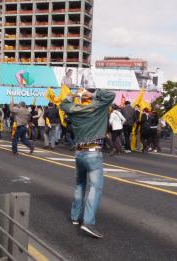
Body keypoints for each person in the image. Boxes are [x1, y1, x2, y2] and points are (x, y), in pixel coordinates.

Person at [61, 88, 115, 239]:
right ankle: (88, 222)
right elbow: (111, 95)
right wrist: (91, 93)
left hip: (79, 153)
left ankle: (74, 216)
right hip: (93, 153)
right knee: (95, 188)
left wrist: (75, 94)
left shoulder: (74, 109)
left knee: (80, 185)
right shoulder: (98, 107)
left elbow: (63, 104)